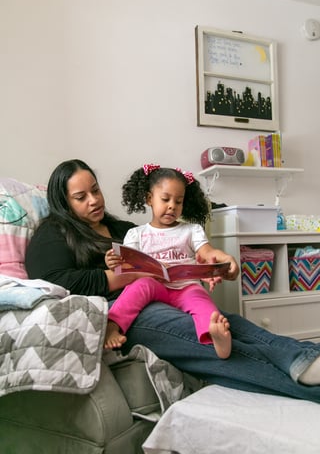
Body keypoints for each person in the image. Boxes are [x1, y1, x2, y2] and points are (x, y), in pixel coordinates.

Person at [25, 159, 320, 404]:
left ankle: (304, 356)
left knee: (223, 321)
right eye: (81, 197)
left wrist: (219, 268)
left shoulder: (121, 227)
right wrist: (129, 275)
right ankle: (307, 382)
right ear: (63, 203)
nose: (94, 200)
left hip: (171, 292)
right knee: (199, 337)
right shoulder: (54, 232)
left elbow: (187, 252)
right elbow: (52, 280)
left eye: (96, 190)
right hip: (129, 308)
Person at [105, 164, 231, 359]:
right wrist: (114, 261)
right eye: (165, 199)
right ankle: (113, 326)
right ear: (149, 199)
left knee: (201, 298)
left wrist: (221, 259)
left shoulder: (192, 230)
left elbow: (207, 251)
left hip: (186, 287)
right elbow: (128, 266)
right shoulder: (136, 234)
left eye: (178, 201)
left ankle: (216, 337)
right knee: (139, 285)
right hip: (154, 285)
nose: (172, 205)